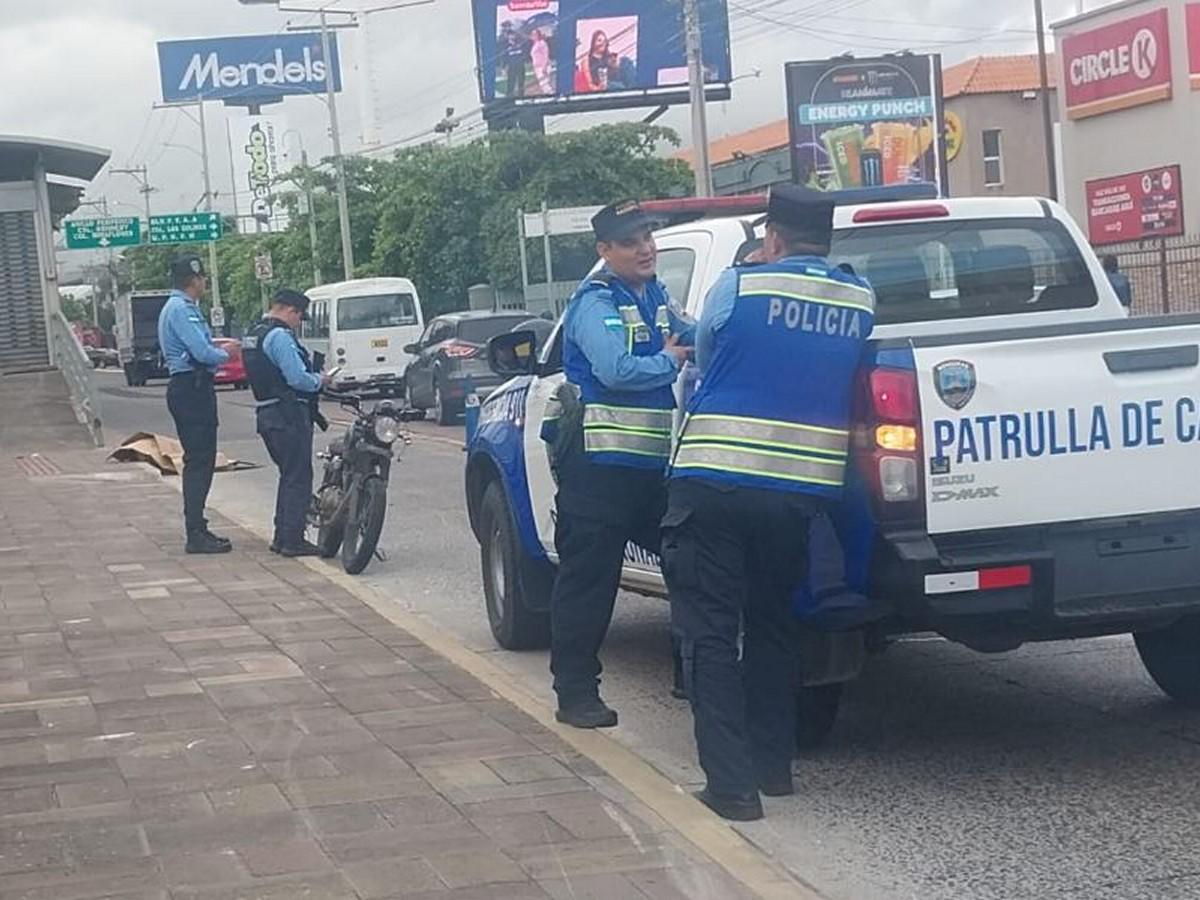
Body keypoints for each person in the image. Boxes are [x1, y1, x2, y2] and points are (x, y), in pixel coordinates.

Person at [662, 185, 875, 822]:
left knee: (709, 635)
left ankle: (730, 788)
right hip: (796, 496)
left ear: (772, 239)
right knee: (776, 628)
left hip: (713, 486)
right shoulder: (859, 298)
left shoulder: (739, 286)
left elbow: (706, 356)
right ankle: (773, 769)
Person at [548, 200, 693, 729]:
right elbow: (616, 369)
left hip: (650, 471)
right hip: (598, 468)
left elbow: (693, 331)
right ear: (604, 251)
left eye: (649, 236)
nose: (646, 247)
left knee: (690, 562)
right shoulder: (593, 302)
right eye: (631, 241)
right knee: (589, 582)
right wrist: (670, 360)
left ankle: (692, 671)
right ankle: (576, 694)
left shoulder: (654, 294)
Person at [242, 289, 330, 557]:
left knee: (289, 475)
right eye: (298, 317)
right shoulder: (279, 336)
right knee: (299, 477)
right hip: (287, 413)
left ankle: (282, 536)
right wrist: (321, 380)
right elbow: (296, 378)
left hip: (267, 413)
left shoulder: (253, 333)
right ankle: (292, 539)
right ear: (290, 310)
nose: (297, 323)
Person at [158, 255, 232, 555]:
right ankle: (195, 532)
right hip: (192, 388)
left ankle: (198, 527)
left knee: (200, 459)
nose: (204, 284)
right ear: (195, 280)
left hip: (191, 388)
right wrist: (226, 353)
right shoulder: (180, 309)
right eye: (202, 279)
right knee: (200, 461)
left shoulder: (180, 307)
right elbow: (202, 352)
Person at [499, 21, 528, 98]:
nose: (512, 37)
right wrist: (503, 67)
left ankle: (521, 96)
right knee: (511, 82)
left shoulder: (520, 42)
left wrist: (523, 59)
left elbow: (525, 42)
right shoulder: (504, 44)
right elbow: (503, 56)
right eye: (510, 36)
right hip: (511, 66)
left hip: (520, 65)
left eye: (513, 35)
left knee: (521, 82)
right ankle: (509, 97)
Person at [530, 28, 553, 95]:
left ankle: (550, 96)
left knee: (544, 84)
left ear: (538, 35)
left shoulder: (542, 43)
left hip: (543, 67)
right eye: (532, 34)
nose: (532, 36)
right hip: (537, 67)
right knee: (542, 84)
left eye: (534, 34)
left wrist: (544, 67)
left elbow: (546, 55)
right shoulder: (535, 44)